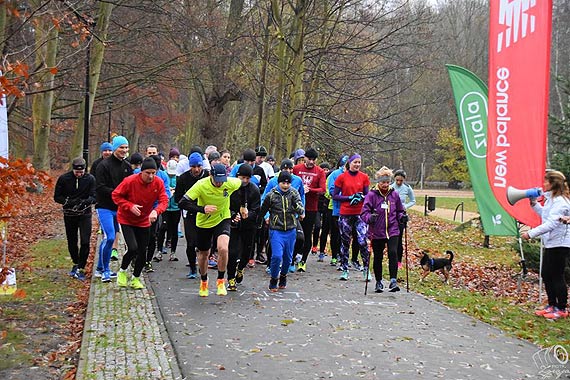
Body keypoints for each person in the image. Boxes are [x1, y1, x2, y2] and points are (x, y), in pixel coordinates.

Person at [178, 164, 241, 297]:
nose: (219, 183)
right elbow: (182, 203)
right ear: (210, 175)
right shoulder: (201, 185)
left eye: (222, 180)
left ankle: (220, 281)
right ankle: (204, 281)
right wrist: (202, 209)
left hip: (222, 218)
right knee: (204, 253)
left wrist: (242, 206)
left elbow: (245, 187)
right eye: (217, 180)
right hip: (204, 222)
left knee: (223, 248)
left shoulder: (231, 183)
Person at [113, 157, 168, 289]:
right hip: (127, 218)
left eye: (153, 173)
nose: (150, 176)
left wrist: (156, 211)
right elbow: (116, 195)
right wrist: (129, 205)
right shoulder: (130, 181)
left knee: (143, 251)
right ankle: (122, 271)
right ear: (141, 172)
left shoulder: (158, 183)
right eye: (147, 173)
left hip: (144, 220)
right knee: (133, 248)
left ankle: (135, 278)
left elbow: (164, 200)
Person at [522, 170, 570, 320]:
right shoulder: (551, 200)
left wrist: (531, 233)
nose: (543, 184)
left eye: (546, 182)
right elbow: (545, 215)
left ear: (553, 184)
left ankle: (561, 308)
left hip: (560, 243)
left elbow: (551, 223)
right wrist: (534, 204)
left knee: (556, 275)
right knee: (546, 274)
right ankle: (551, 305)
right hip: (551, 242)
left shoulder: (561, 202)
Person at [361, 166, 405, 292]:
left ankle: (393, 280)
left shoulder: (394, 195)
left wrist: (402, 217)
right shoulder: (372, 195)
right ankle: (379, 282)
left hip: (393, 229)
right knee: (378, 256)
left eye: (387, 182)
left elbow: (399, 211)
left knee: (393, 253)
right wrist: (370, 218)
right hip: (377, 230)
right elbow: (364, 213)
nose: (385, 185)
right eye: (383, 182)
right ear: (378, 182)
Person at [95, 135, 133, 282]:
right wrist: (117, 193)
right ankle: (105, 270)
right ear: (114, 148)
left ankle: (99, 268)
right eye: (121, 147)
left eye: (125, 147)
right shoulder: (103, 166)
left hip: (119, 208)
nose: (123, 150)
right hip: (104, 206)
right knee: (110, 237)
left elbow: (131, 186)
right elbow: (100, 187)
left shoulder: (127, 167)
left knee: (110, 238)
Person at [258, 171, 305, 292]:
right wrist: (261, 220)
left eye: (288, 183)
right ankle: (274, 278)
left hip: (290, 229)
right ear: (279, 182)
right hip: (276, 229)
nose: (285, 185)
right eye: (283, 183)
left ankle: (283, 275)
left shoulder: (294, 193)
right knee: (277, 256)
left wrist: (298, 208)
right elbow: (263, 209)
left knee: (288, 258)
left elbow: (301, 208)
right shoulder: (272, 195)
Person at [54, 157, 96, 281]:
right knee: (72, 241)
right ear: (73, 170)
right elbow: (57, 196)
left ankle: (81, 266)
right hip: (69, 214)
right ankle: (76, 262)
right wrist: (69, 202)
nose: (79, 174)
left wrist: (84, 202)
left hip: (84, 214)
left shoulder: (90, 179)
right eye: (77, 172)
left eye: (81, 172)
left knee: (85, 241)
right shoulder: (64, 179)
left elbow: (94, 196)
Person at [332, 154, 370, 281]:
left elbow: (367, 195)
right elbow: (335, 195)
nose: (357, 165)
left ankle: (366, 269)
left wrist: (360, 197)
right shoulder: (341, 177)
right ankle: (344, 269)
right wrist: (349, 198)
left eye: (359, 162)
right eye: (355, 162)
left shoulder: (364, 177)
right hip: (345, 213)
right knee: (345, 242)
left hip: (360, 213)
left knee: (362, 241)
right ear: (349, 163)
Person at [173, 152, 210, 278]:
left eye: (199, 166)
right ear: (189, 166)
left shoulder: (208, 176)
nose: (196, 169)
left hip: (206, 213)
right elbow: (178, 199)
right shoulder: (183, 178)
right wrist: (193, 206)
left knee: (203, 244)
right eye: (193, 167)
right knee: (191, 243)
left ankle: (203, 266)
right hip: (190, 212)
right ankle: (193, 269)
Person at [292, 147, 326, 272]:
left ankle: (303, 261)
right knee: (294, 234)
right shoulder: (296, 169)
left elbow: (323, 189)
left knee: (306, 234)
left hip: (311, 207)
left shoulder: (320, 171)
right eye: (309, 159)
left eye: (313, 159)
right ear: (304, 158)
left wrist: (310, 190)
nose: (311, 162)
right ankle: (291, 258)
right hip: (295, 207)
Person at [227, 164, 260, 291]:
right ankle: (230, 278)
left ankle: (240, 268)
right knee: (233, 252)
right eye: (242, 178)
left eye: (247, 178)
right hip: (234, 225)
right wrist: (233, 215)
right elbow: (225, 206)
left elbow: (257, 209)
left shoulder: (254, 190)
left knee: (247, 252)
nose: (244, 181)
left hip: (249, 226)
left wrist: (248, 215)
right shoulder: (231, 189)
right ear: (237, 176)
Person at [156, 159, 181, 262]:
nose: (171, 175)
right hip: (165, 207)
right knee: (163, 228)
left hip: (176, 208)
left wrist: (176, 193)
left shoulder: (179, 178)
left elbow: (182, 192)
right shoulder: (163, 176)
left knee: (174, 229)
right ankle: (159, 251)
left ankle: (173, 252)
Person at [327, 155, 349, 267]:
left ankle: (343, 256)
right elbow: (331, 190)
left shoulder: (353, 175)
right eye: (344, 164)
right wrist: (346, 196)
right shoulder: (335, 174)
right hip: (337, 209)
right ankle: (335, 256)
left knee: (345, 235)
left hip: (350, 210)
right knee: (336, 234)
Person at [392, 169, 415, 268]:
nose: (399, 182)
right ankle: (392, 258)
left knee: (399, 238)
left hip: (401, 215)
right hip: (391, 214)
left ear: (404, 180)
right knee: (392, 238)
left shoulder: (407, 188)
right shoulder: (390, 187)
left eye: (401, 180)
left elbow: (413, 200)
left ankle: (399, 261)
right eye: (397, 180)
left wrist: (405, 206)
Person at [312, 162, 331, 262]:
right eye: (323, 169)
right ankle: (314, 245)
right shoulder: (319, 179)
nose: (325, 171)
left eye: (327, 169)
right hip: (317, 208)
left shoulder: (330, 179)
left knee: (326, 229)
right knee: (318, 226)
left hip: (327, 208)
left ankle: (323, 250)